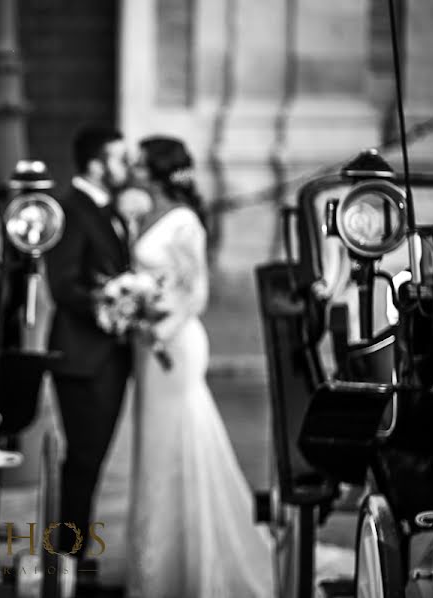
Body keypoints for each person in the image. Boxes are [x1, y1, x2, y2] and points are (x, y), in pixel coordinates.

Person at [123, 136, 274, 597]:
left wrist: (158, 326)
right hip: (148, 347)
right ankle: (156, 568)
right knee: (152, 450)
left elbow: (196, 293)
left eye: (139, 162)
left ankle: (192, 566)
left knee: (178, 445)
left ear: (155, 171)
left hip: (175, 345)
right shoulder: (141, 211)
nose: (132, 167)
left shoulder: (186, 221)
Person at [45, 125, 132, 557]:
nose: (128, 167)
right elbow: (63, 285)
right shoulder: (70, 209)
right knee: (82, 463)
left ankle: (71, 560)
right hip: (82, 359)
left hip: (109, 359)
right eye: (121, 158)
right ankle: (67, 559)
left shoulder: (106, 209)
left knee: (90, 464)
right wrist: (108, 303)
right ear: (97, 164)